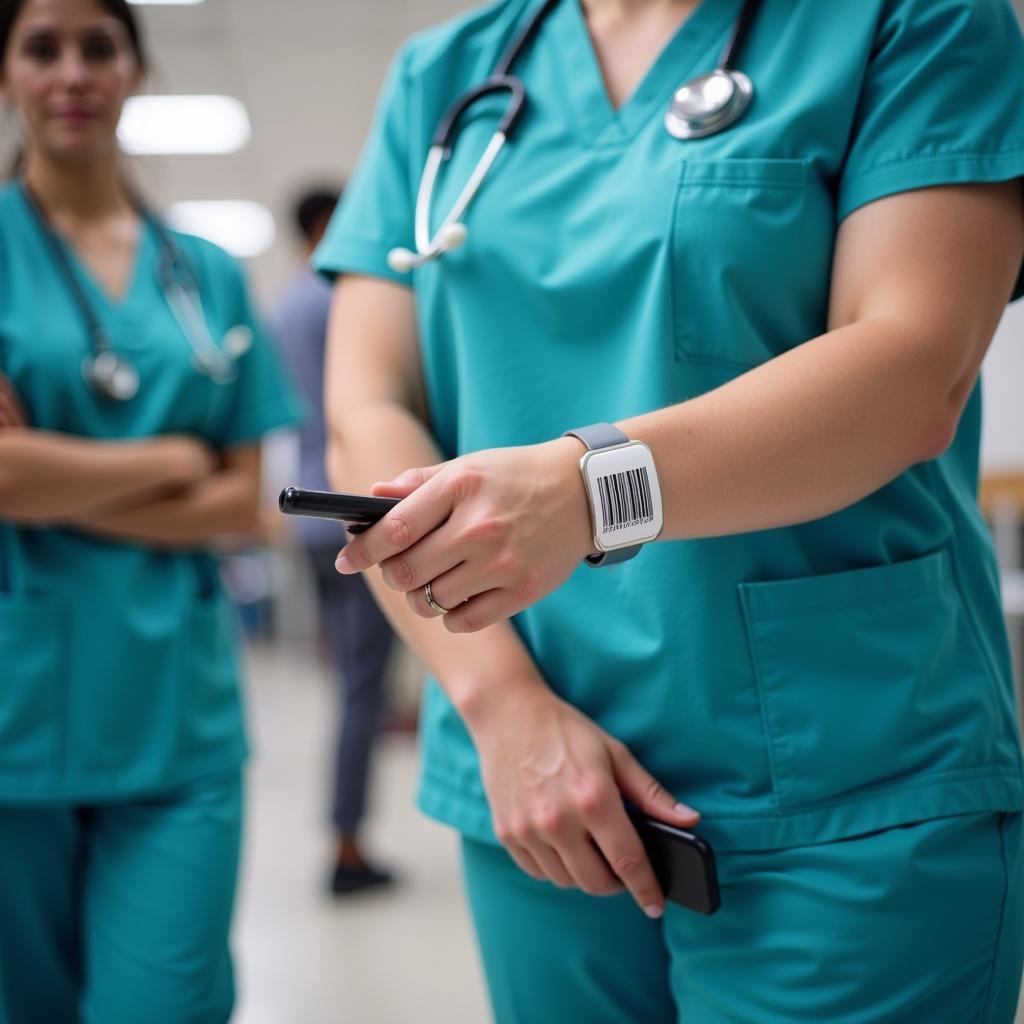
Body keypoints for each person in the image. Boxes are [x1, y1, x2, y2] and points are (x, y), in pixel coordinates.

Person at [315, 0, 1024, 1020]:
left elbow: (913, 366)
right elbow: (367, 406)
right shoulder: (448, 72)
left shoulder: (910, 23)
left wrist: (585, 488)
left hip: (849, 782)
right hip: (536, 774)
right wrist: (502, 706)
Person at [0, 0, 302, 1019]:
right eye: (42, 48)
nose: (72, 73)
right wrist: (173, 455)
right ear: (6, 76)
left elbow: (241, 506)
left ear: (136, 70)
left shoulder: (205, 273)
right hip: (11, 721)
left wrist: (50, 473)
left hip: (177, 717)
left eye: (99, 48)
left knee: (161, 1002)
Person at [272, 187, 395, 895]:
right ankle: (346, 846)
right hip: (354, 501)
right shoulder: (338, 298)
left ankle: (348, 834)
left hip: (312, 506)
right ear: (324, 225)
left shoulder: (288, 303)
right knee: (360, 688)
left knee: (348, 680)